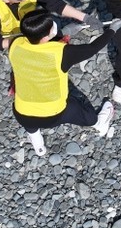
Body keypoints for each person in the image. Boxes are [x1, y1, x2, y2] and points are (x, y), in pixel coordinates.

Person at [0, 0, 99, 111]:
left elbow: (55, 4)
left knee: (47, 35)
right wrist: (24, 40)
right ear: (6, 0)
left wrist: (85, 18)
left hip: (25, 25)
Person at [8, 10, 115, 157]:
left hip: (22, 113)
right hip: (53, 115)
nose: (55, 26)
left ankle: (38, 145)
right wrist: (112, 31)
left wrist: (65, 32)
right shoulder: (61, 53)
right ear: (45, 36)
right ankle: (99, 124)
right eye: (52, 26)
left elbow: (39, 47)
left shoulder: (16, 44)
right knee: (85, 114)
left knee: (30, 121)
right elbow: (92, 49)